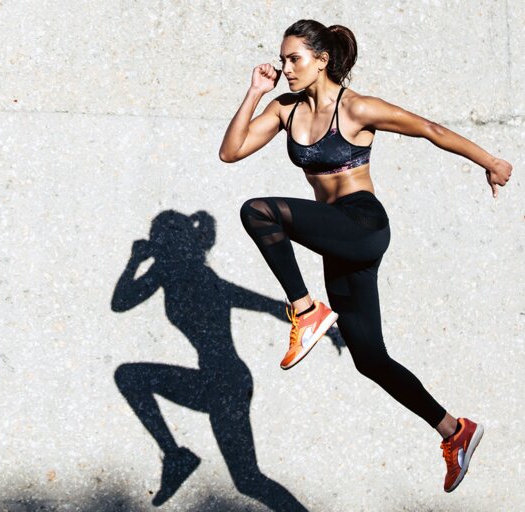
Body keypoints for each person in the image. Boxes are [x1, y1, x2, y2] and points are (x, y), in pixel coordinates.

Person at [218, 19, 512, 493]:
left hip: (362, 225)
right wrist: (254, 93)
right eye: (282, 59)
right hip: (335, 239)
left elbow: (429, 129)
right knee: (369, 358)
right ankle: (455, 432)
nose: (285, 68)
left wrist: (491, 162)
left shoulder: (355, 108)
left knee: (258, 212)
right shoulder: (284, 110)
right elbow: (231, 152)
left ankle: (305, 310)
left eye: (294, 59)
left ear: (321, 59)